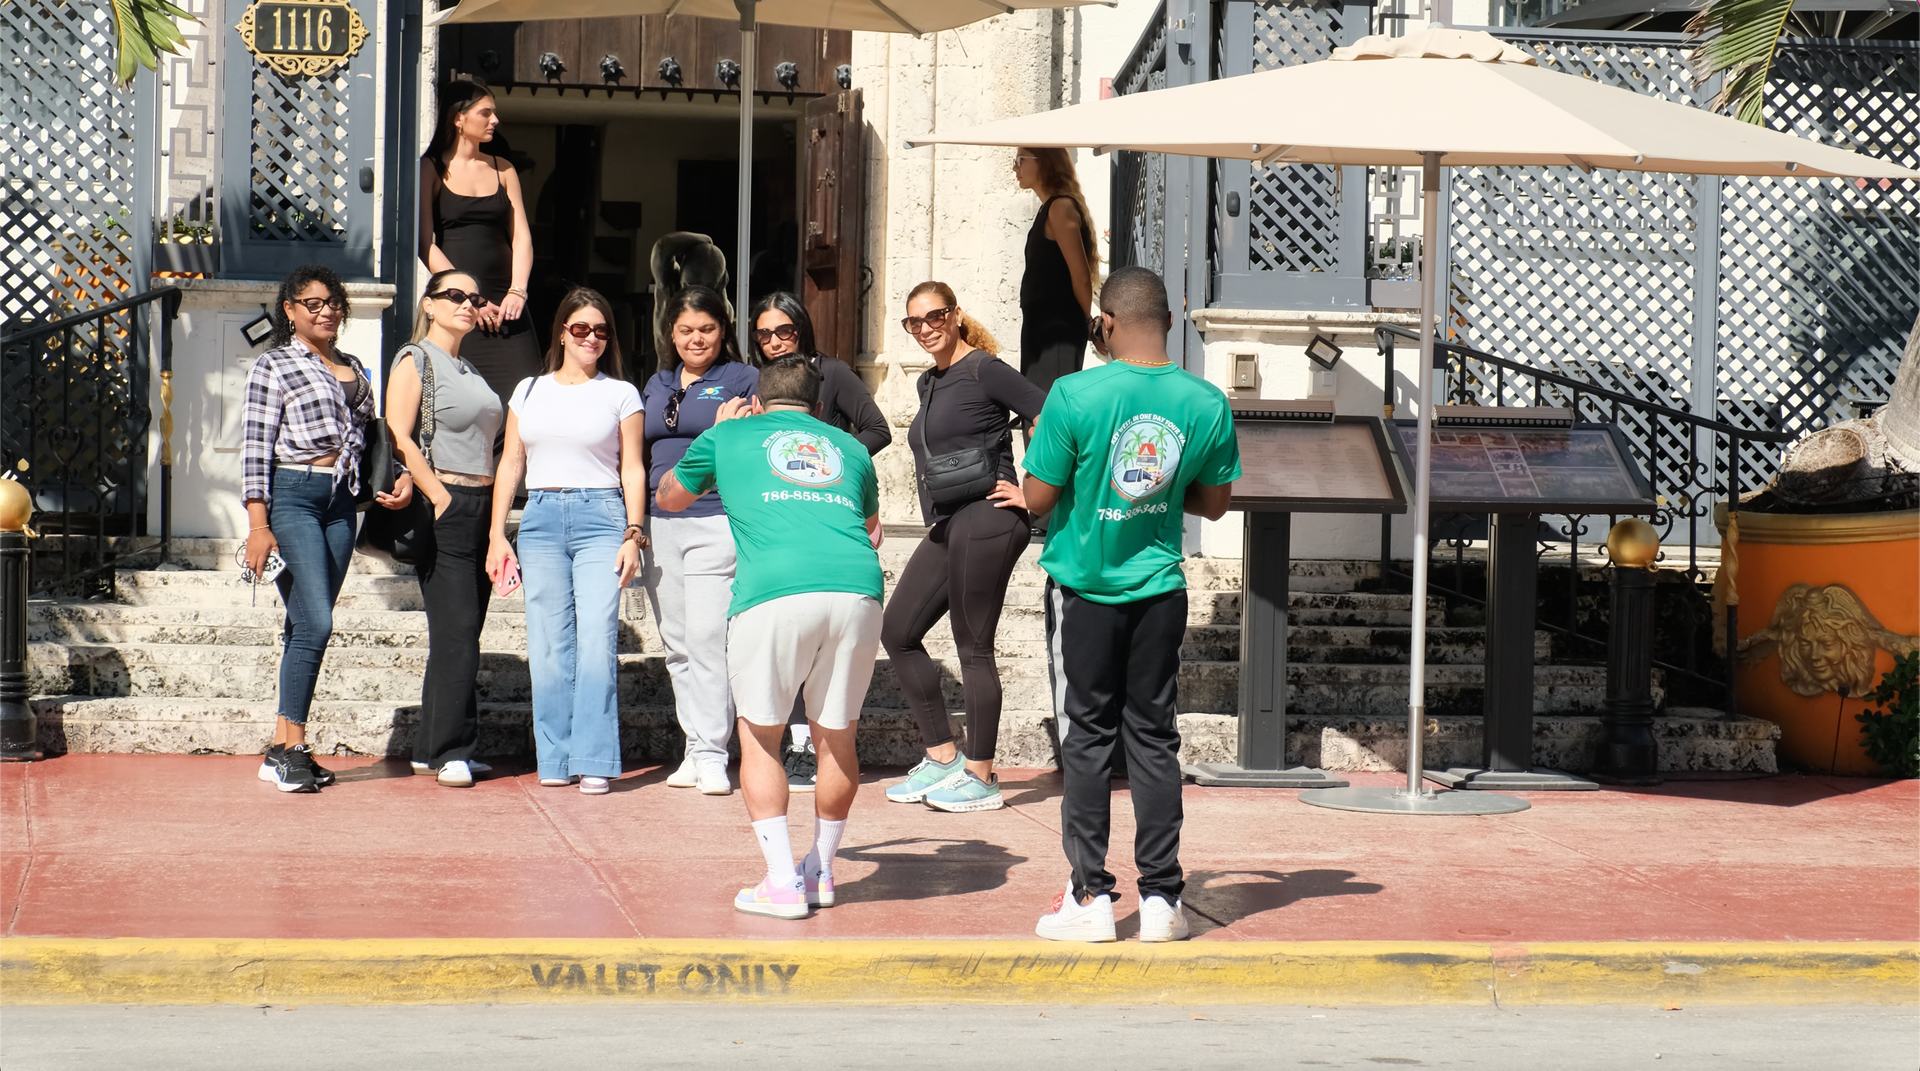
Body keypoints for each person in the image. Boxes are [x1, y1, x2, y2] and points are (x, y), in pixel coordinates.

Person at [1019, 267, 1240, 943]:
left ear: (1105, 323)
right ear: (1169, 317)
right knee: (1153, 738)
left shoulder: (1074, 393)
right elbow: (1214, 501)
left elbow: (1036, 498)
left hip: (1085, 590)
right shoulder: (1205, 401)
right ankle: (1162, 899)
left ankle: (1088, 895)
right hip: (1160, 588)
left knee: (1085, 739)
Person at [654, 356, 884, 919]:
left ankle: (782, 882)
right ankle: (822, 871)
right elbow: (872, 529)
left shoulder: (729, 434)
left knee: (760, 736)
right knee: (838, 735)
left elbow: (668, 497)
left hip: (773, 591)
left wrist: (715, 436)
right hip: (857, 587)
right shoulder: (849, 448)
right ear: (820, 408)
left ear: (757, 402)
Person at [881, 282, 1048, 814]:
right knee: (899, 631)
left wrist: (1035, 492)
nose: (926, 327)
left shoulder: (984, 368)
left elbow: (1047, 416)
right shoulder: (931, 381)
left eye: (935, 316)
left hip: (989, 516)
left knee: (973, 645)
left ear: (956, 315)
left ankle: (981, 775)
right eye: (915, 322)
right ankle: (944, 757)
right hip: (949, 521)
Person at [244, 265, 412, 792]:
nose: (326, 311)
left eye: (332, 302)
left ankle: (283, 748)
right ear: (289, 310)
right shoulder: (271, 365)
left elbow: (373, 438)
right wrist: (258, 524)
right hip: (293, 496)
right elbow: (254, 448)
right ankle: (292, 748)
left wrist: (398, 477)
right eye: (312, 303)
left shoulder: (354, 365)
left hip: (342, 503)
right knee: (316, 624)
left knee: (304, 623)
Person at [487, 288, 646, 795]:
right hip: (539, 518)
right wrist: (497, 533)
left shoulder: (621, 393)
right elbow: (511, 462)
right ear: (562, 331)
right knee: (549, 644)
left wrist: (634, 532)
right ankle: (555, 758)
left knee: (597, 640)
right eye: (581, 328)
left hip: (602, 515)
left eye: (601, 330)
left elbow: (633, 468)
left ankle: (595, 757)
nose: (592, 338)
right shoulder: (529, 390)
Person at [747, 291, 891, 792]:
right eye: (763, 333)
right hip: (774, 525)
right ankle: (778, 741)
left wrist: (832, 466)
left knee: (817, 647)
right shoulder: (758, 382)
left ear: (802, 329)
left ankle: (809, 748)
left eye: (783, 331)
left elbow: (878, 429)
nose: (773, 342)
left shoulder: (833, 374)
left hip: (829, 523)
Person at [386, 270, 505, 788]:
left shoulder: (470, 367)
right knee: (458, 633)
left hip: (481, 505)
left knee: (462, 632)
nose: (466, 304)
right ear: (429, 304)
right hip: (448, 504)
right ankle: (451, 749)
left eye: (473, 298)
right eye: (454, 295)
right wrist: (439, 496)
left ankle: (431, 745)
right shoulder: (416, 359)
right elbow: (398, 433)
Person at [642, 286, 759, 795]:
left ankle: (714, 753)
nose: (696, 339)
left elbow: (751, 443)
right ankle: (694, 747)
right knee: (677, 643)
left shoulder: (741, 378)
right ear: (671, 332)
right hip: (658, 523)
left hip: (715, 520)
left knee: (710, 640)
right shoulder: (657, 381)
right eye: (686, 329)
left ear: (723, 330)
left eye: (707, 329)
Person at [420, 79, 540, 437]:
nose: (494, 120)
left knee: (526, 399)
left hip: (509, 305)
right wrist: (469, 299)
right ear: (459, 119)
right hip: (459, 305)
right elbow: (424, 242)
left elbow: (521, 236)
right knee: (466, 404)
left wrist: (518, 292)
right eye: (485, 113)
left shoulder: (503, 168)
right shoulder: (431, 168)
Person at [1012, 147, 1099, 398]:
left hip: (1057, 330)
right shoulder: (1049, 208)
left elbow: (1081, 276)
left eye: (1020, 160)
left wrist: (1085, 322)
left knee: (1048, 409)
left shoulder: (1060, 207)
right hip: (1042, 329)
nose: (1014, 168)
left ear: (1044, 162)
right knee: (1036, 407)